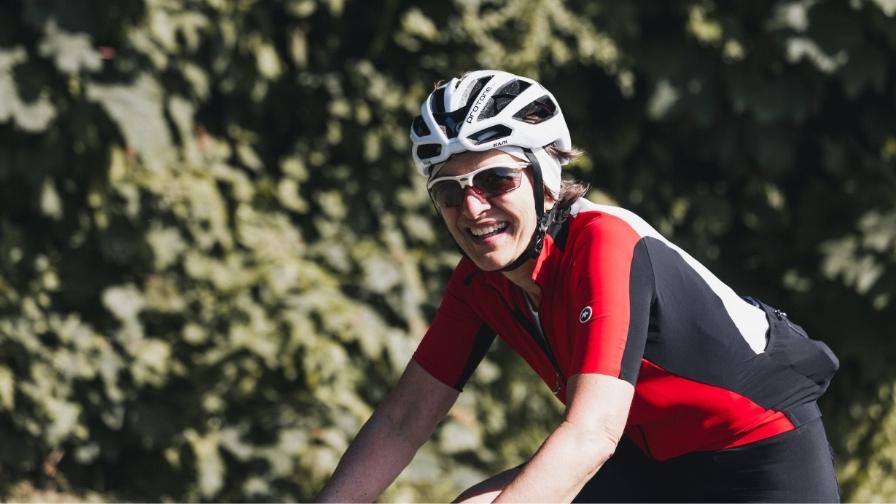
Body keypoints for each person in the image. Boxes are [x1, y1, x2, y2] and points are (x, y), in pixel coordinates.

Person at [316, 69, 841, 502]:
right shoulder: (478, 283)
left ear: (545, 179)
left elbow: (592, 433)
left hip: (759, 453)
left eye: (495, 180)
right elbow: (403, 421)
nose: (472, 209)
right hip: (649, 461)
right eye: (449, 192)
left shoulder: (603, 243)